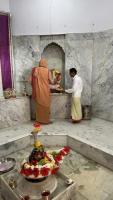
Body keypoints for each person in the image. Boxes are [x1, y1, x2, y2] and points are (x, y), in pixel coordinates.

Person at [30, 58, 58, 124]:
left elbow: (30, 80)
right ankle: (46, 120)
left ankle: (39, 120)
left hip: (38, 91)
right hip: (45, 90)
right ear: (45, 63)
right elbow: (52, 81)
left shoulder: (35, 70)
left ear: (40, 63)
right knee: (46, 105)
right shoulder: (47, 71)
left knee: (39, 106)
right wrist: (56, 78)